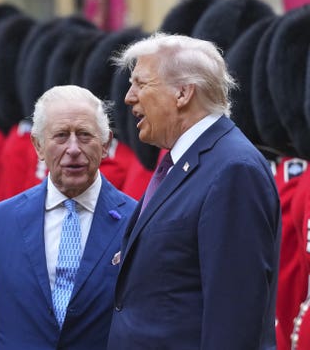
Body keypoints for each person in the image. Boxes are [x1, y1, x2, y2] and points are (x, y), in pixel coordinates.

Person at [107, 33, 280, 349]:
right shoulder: (182, 161)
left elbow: (234, 317)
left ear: (183, 93)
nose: (129, 97)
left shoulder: (232, 170)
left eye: (141, 84)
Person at [0, 85, 136, 350]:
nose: (73, 148)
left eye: (85, 135)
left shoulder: (135, 220)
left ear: (106, 144)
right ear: (38, 145)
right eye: (61, 136)